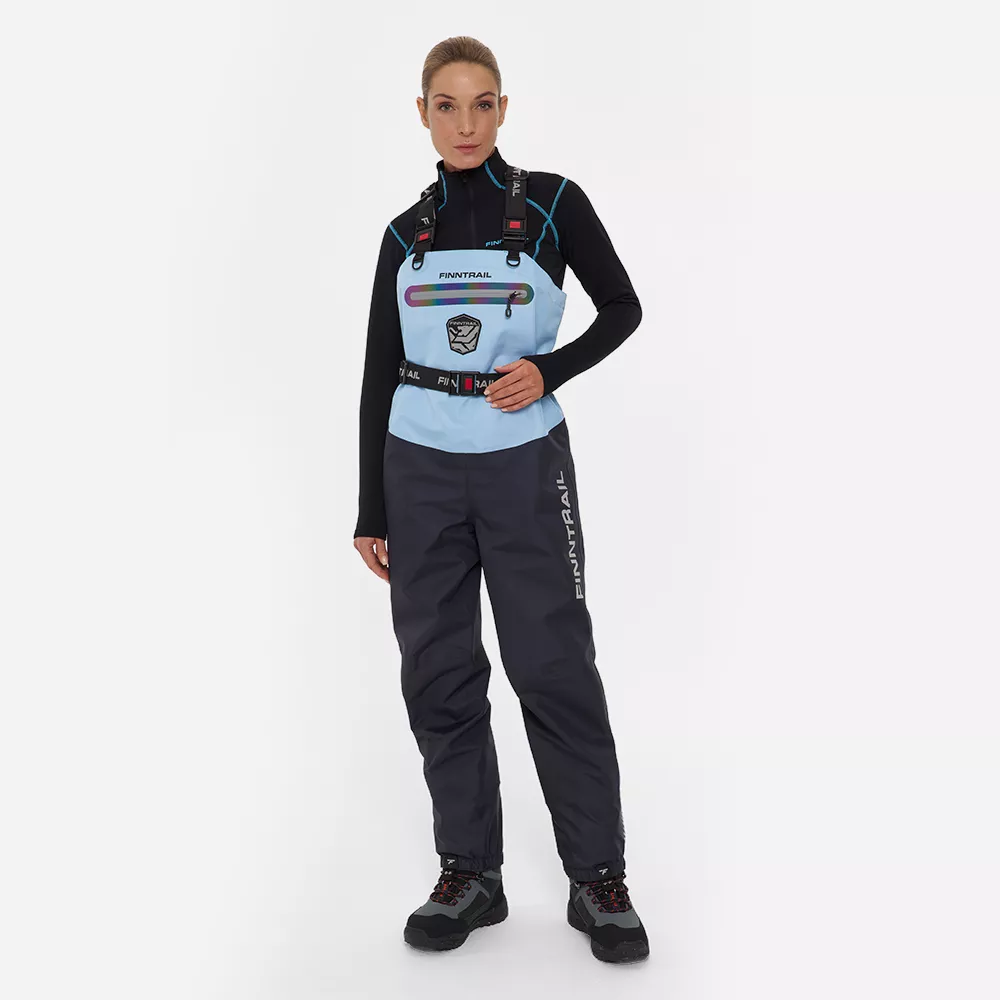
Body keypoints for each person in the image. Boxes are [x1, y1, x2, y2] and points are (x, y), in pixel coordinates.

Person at [353, 36, 648, 964]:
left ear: (504, 109)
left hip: (522, 465)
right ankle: (470, 873)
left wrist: (550, 370)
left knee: (552, 665)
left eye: (482, 104)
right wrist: (371, 507)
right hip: (418, 468)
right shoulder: (403, 234)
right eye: (447, 106)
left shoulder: (554, 204)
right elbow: (377, 372)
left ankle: (598, 880)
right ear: (423, 114)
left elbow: (623, 307)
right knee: (438, 671)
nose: (466, 124)